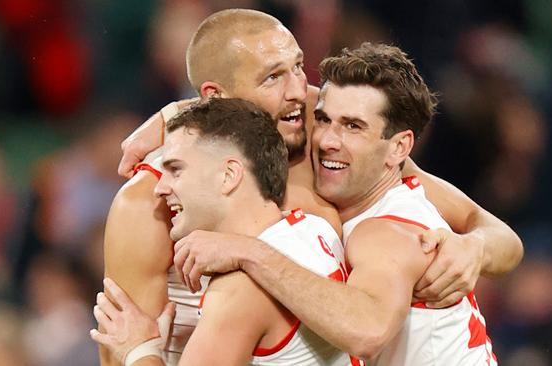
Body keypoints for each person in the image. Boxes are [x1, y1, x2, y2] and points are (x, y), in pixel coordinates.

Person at [103, 7, 521, 365]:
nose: (299, 91)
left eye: (299, 67)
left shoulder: (326, 135)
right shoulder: (151, 202)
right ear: (217, 96)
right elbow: (121, 340)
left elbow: (496, 234)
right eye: (272, 78)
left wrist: (475, 247)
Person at [93, 97, 352, 365]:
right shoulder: (315, 228)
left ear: (229, 175)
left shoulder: (239, 290)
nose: (161, 187)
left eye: (176, 170)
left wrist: (139, 350)